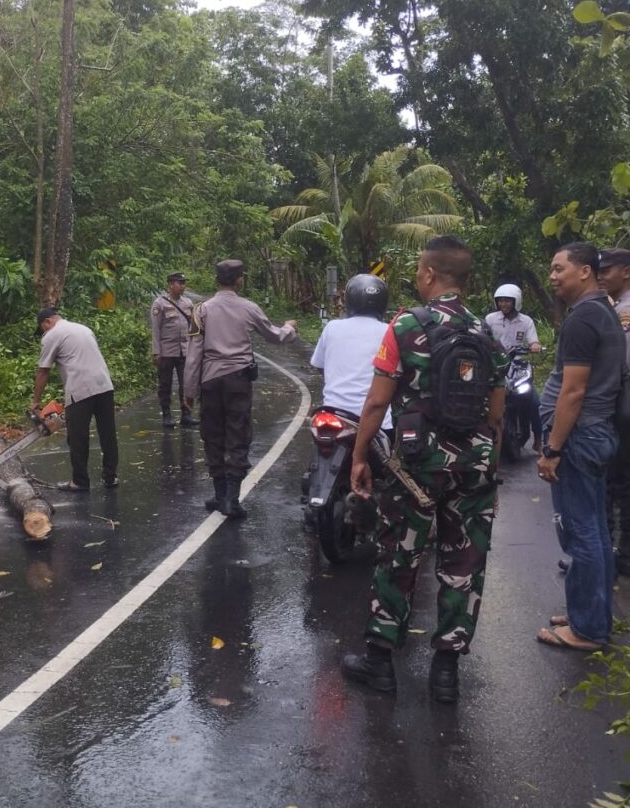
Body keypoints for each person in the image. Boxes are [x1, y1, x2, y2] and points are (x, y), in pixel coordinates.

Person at [341, 236, 506, 703]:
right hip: (472, 468)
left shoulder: (407, 325)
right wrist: (489, 472)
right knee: (464, 566)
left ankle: (380, 665)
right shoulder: (487, 331)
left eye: (418, 270)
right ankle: (446, 673)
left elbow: (376, 400)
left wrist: (359, 455)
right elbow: (496, 415)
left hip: (417, 466)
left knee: (399, 558)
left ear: (431, 274)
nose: (416, 276)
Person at [536, 243, 623, 652]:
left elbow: (573, 391)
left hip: (580, 436)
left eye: (559, 269)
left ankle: (587, 630)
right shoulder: (601, 311)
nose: (553, 276)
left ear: (585, 271)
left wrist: (553, 449)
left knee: (582, 532)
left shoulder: (584, 317)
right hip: (595, 433)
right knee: (595, 531)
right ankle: (590, 613)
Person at [183, 259, 297, 519]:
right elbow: (275, 336)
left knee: (212, 435)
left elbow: (194, 353)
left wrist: (189, 391)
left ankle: (219, 493)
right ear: (239, 280)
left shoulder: (202, 310)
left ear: (216, 280)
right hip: (238, 381)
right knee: (237, 434)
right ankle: (231, 499)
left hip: (210, 381)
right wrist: (289, 328)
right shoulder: (249, 308)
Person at [33, 308, 119, 491]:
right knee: (107, 433)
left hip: (80, 388)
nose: (44, 333)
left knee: (77, 436)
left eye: (43, 328)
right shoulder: (83, 328)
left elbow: (43, 371)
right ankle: (110, 477)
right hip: (104, 384)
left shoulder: (51, 335)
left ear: (47, 322)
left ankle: (79, 481)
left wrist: (36, 402)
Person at [310, 273, 393, 438]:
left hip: (333, 414)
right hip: (377, 421)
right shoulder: (390, 331)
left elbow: (319, 365)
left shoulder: (332, 327)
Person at [598, 247, 630, 575]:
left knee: (614, 482)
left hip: (623, 405)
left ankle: (610, 555)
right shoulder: (616, 306)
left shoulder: (625, 310)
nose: (602, 276)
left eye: (608, 270)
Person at [484, 282, 543, 454]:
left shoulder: (526, 321)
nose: (504, 304)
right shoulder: (490, 319)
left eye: (507, 301)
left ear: (516, 301)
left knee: (534, 403)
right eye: (500, 301)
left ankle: (538, 441)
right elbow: (483, 337)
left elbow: (534, 341)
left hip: (518, 366)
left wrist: (535, 346)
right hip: (495, 364)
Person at [150, 271, 198, 429]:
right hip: (167, 351)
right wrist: (156, 352)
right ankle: (167, 414)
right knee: (165, 384)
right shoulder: (160, 304)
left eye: (184, 283)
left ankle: (186, 414)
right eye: (180, 283)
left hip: (184, 350)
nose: (183, 286)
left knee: (186, 383)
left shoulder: (188, 304)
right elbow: (155, 330)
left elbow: (193, 328)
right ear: (171, 285)